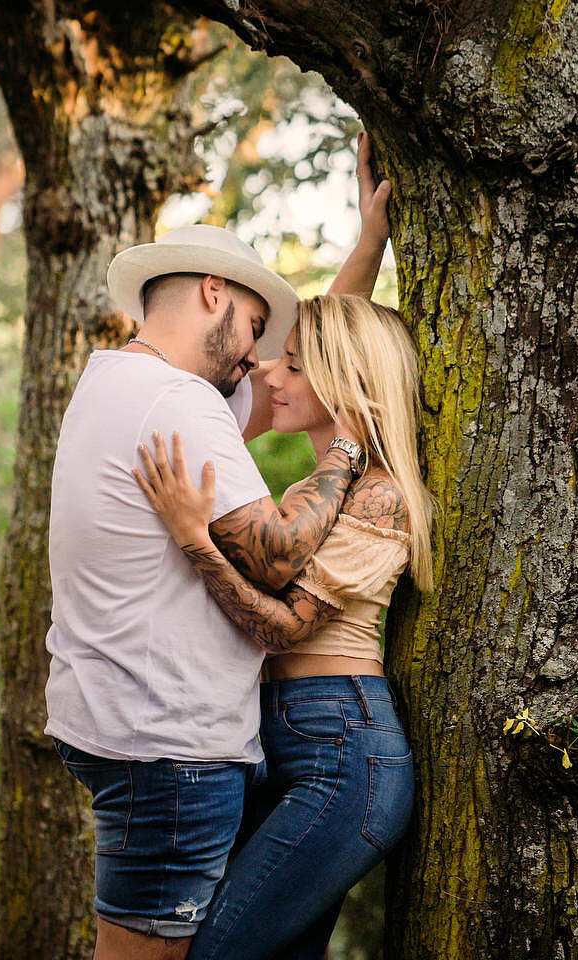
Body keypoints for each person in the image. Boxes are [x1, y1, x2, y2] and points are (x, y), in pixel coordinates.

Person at [44, 135, 391, 960]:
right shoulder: (179, 403)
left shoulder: (120, 383)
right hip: (169, 750)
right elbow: (276, 557)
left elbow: (308, 373)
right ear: (213, 293)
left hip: (128, 732)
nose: (258, 358)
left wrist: (367, 245)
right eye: (253, 329)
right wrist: (347, 448)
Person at [132, 292, 434, 960]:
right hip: (285, 743)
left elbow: (284, 628)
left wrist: (193, 539)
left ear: (345, 382)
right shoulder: (307, 497)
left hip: (344, 753)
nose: (271, 375)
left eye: (294, 367)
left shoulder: (383, 496)